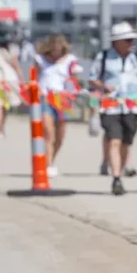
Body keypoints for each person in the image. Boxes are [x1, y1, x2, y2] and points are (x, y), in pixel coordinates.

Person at [91, 22, 137, 195]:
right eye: (127, 40)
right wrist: (104, 86)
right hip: (110, 106)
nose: (130, 43)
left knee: (127, 140)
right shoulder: (104, 57)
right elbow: (92, 78)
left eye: (131, 39)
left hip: (132, 107)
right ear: (116, 42)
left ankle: (123, 167)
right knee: (114, 139)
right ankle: (116, 178)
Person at [35, 34, 84, 177]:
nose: (56, 52)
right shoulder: (41, 60)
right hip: (45, 97)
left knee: (60, 135)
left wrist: (75, 91)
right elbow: (35, 78)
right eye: (53, 49)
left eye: (59, 49)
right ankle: (48, 164)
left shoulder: (70, 61)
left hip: (63, 99)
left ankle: (52, 159)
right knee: (48, 132)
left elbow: (74, 81)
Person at [0, 28, 23, 139]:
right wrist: (21, 79)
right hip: (10, 79)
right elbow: (16, 65)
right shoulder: (13, 49)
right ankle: (2, 127)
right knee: (5, 105)